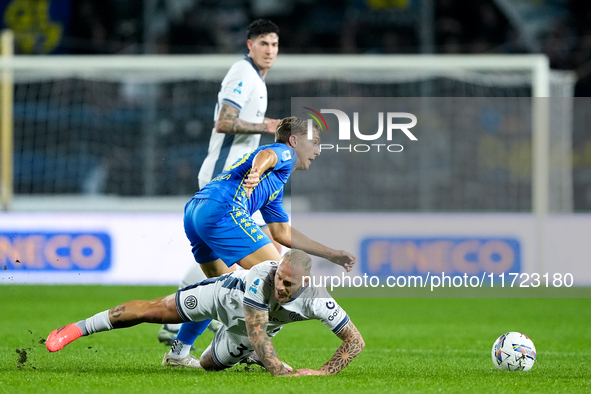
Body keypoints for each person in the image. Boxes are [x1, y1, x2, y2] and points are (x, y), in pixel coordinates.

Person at [161, 116, 357, 367]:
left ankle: (178, 354)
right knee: (279, 278)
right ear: (294, 140)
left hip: (197, 210)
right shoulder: (284, 153)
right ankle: (256, 351)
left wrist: (331, 254)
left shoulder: (274, 186)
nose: (318, 151)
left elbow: (282, 234)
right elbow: (269, 154)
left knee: (213, 289)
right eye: (315, 143)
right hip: (223, 210)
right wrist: (256, 171)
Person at [158, 18, 282, 345]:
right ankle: (196, 328)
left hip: (234, 183)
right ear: (249, 45)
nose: (269, 50)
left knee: (221, 265)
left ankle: (179, 335)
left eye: (274, 44)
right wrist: (269, 125)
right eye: (263, 44)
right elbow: (224, 122)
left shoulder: (256, 78)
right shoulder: (242, 74)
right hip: (222, 181)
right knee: (265, 268)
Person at [46, 250, 365, 376]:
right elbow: (257, 331)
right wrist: (280, 371)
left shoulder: (318, 300)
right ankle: (75, 329)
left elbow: (355, 341)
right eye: (279, 277)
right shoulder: (261, 276)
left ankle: (247, 356)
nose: (280, 285)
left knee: (210, 366)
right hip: (223, 297)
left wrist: (323, 373)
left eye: (288, 283)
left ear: (305, 283)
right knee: (156, 310)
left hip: (249, 332)